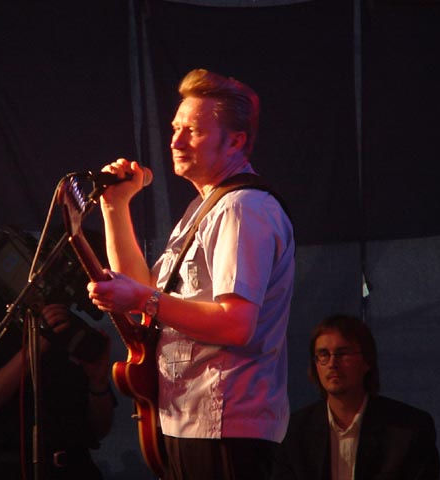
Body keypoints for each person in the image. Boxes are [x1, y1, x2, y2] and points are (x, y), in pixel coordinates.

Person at [87, 68, 295, 479]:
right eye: (175, 128)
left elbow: (236, 324)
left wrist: (142, 298)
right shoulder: (206, 207)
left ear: (235, 141)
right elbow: (146, 296)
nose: (176, 141)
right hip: (192, 418)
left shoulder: (242, 208)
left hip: (225, 423)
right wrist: (115, 206)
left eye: (193, 132)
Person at [0, 231, 115, 480]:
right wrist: (35, 348)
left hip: (74, 468)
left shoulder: (72, 329)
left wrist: (98, 382)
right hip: (12, 469)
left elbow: (100, 429)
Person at [272, 314, 440, 480]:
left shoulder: (409, 429)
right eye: (323, 354)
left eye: (342, 353)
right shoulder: (295, 432)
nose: (332, 364)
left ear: (367, 361)